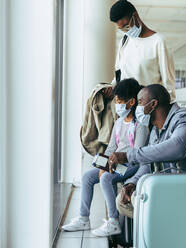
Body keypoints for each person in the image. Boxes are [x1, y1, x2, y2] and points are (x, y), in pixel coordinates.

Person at [109, 84, 186, 219]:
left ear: (153, 104)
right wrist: (133, 183)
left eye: (140, 102)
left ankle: (168, 234)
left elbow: (177, 148)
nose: (137, 108)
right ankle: (163, 234)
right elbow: (148, 164)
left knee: (153, 214)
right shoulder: (155, 130)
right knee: (123, 202)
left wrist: (128, 155)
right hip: (179, 192)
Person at [62, 79, 151, 237]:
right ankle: (83, 218)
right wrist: (103, 162)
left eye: (120, 101)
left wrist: (110, 166)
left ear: (131, 102)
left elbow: (137, 154)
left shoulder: (140, 126)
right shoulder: (118, 123)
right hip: (116, 163)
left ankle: (113, 221)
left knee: (105, 178)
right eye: (116, 101)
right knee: (87, 177)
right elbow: (111, 148)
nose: (117, 105)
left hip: (132, 166)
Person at [103, 0, 176, 103]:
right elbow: (119, 75)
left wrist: (165, 112)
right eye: (122, 29)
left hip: (149, 108)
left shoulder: (158, 42)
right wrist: (111, 87)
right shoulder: (124, 42)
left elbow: (169, 86)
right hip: (127, 108)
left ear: (135, 15)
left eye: (126, 26)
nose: (126, 31)